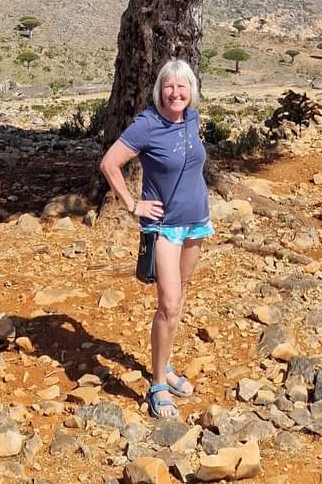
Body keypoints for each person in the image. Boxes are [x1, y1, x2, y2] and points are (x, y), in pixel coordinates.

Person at [100, 58, 213, 419]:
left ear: (191, 90)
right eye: (169, 86)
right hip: (164, 227)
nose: (176, 92)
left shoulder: (192, 118)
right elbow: (109, 163)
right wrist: (133, 205)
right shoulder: (147, 124)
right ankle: (157, 385)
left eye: (182, 86)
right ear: (160, 90)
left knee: (178, 301)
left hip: (196, 222)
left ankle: (165, 367)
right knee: (168, 303)